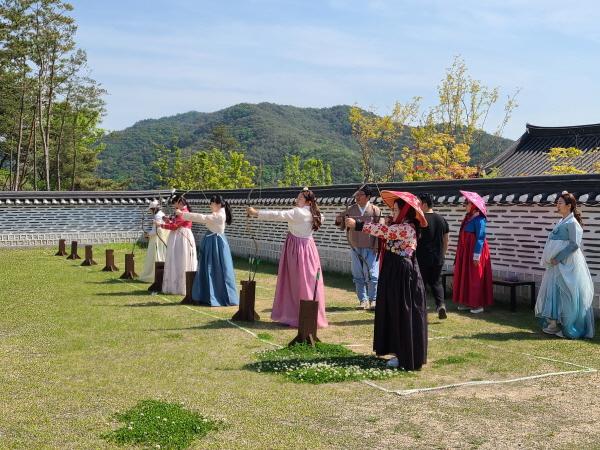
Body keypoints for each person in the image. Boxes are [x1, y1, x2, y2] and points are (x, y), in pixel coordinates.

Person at [345, 191, 428, 370]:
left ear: (406, 212)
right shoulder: (401, 224)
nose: (393, 213)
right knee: (393, 311)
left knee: (401, 312)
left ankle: (404, 355)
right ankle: (398, 351)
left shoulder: (407, 227)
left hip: (402, 273)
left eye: (397, 210)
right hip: (394, 271)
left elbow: (384, 231)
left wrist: (358, 224)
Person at [247, 188, 328, 328]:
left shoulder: (298, 212)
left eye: (300, 198)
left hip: (296, 249)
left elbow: (278, 214)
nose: (297, 200)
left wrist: (255, 213)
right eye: (298, 198)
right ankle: (308, 315)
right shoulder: (316, 213)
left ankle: (295, 315)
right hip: (308, 248)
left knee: (295, 282)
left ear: (308, 201)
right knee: (308, 282)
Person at [535, 191, 595, 339]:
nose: (558, 204)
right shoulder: (562, 220)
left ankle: (570, 326)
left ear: (569, 206)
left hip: (567, 263)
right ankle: (553, 322)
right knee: (554, 291)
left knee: (568, 293)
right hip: (556, 264)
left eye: (560, 202)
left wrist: (558, 257)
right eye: (557, 202)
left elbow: (574, 245)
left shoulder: (573, 222)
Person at [177, 195, 239, 307]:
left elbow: (202, 217)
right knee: (208, 268)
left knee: (214, 268)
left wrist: (183, 214)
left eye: (212, 203)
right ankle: (206, 295)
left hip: (215, 244)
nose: (210, 205)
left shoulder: (219, 215)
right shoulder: (218, 213)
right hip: (212, 242)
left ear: (218, 204)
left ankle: (217, 296)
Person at [335, 185, 383, 310]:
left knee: (372, 274)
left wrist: (377, 246)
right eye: (357, 194)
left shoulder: (375, 210)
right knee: (358, 274)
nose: (357, 197)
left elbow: (380, 230)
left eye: (361, 194)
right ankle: (363, 300)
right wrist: (340, 219)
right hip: (355, 246)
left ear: (368, 197)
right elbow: (340, 222)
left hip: (371, 247)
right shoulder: (351, 209)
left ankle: (374, 300)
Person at [453, 190, 493, 313]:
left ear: (474, 206)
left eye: (467, 203)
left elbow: (480, 238)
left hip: (476, 252)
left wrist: (476, 256)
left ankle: (478, 304)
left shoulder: (480, 220)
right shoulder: (468, 219)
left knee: (475, 277)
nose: (465, 205)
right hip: (466, 253)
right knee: (466, 277)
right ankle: (467, 301)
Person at [416, 193, 450, 319]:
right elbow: (446, 239)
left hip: (422, 256)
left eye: (419, 203)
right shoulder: (442, 219)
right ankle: (440, 305)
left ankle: (420, 308)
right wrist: (443, 254)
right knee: (436, 282)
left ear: (424, 204)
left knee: (421, 283)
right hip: (438, 257)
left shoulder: (420, 220)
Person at [160, 195, 197, 295]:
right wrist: (168, 220)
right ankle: (175, 284)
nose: (174, 206)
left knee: (181, 258)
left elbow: (175, 226)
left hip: (182, 237)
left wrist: (161, 225)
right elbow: (175, 223)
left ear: (179, 202)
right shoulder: (181, 212)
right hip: (178, 237)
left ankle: (181, 286)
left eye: (175, 204)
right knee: (176, 258)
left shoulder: (184, 212)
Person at [139, 200, 169, 283]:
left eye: (151, 209)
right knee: (162, 254)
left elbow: (156, 230)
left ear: (154, 209)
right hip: (163, 239)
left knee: (155, 256)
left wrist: (148, 234)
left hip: (156, 239)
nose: (151, 211)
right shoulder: (162, 214)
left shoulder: (157, 216)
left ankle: (153, 275)